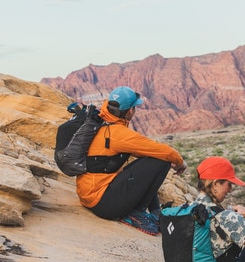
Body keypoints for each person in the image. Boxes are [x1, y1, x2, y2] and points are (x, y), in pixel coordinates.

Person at [76, 86, 187, 235]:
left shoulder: (102, 121)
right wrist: (180, 162)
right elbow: (165, 152)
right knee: (161, 161)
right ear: (130, 111)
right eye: (135, 107)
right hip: (102, 203)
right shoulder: (118, 133)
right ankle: (137, 214)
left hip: (89, 195)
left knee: (152, 159)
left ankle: (154, 212)